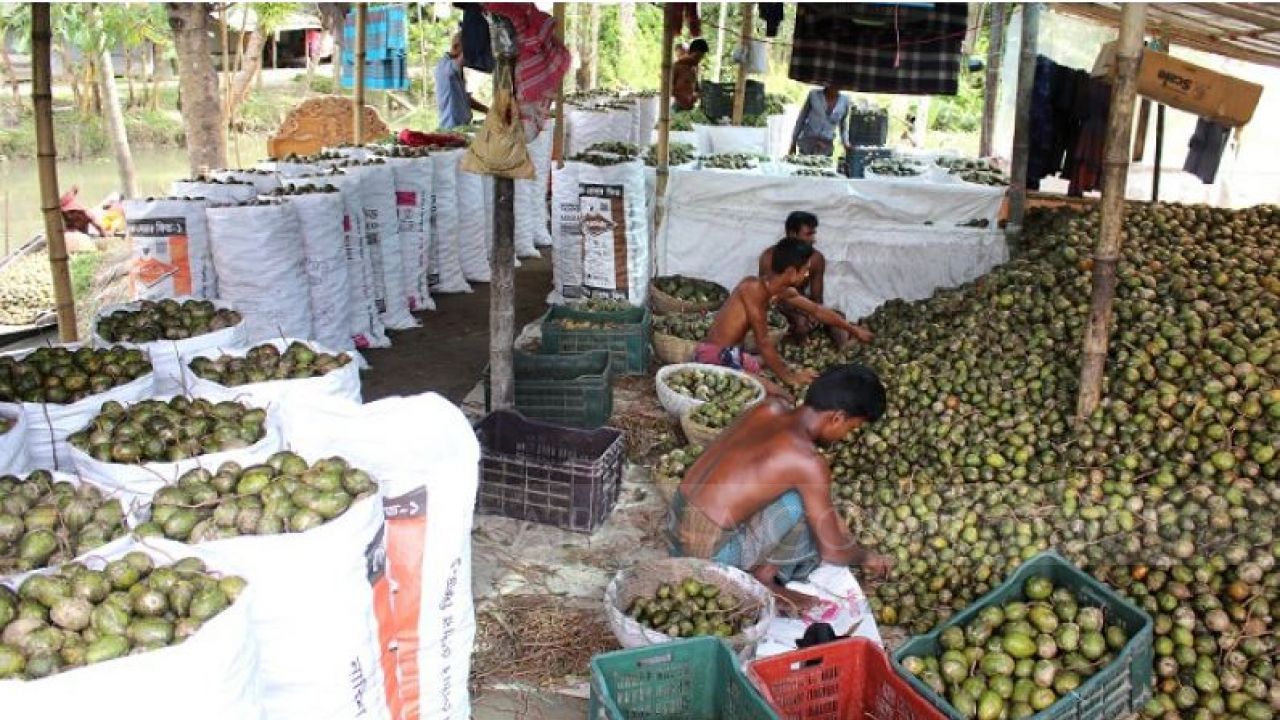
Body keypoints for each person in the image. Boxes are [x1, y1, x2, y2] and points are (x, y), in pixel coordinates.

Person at [667, 363, 894, 613]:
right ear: (837, 417)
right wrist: (866, 557)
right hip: (705, 558)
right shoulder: (807, 462)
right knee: (808, 517)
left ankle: (763, 574)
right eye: (851, 428)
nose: (846, 436)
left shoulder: (768, 408)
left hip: (676, 523)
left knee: (807, 498)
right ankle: (761, 583)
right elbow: (832, 550)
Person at [698, 237, 872, 388]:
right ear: (790, 272)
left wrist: (853, 330)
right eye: (805, 270)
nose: (806, 275)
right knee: (779, 394)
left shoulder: (782, 291)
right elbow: (764, 342)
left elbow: (817, 310)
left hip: (736, 354)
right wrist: (789, 378)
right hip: (715, 356)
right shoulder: (751, 288)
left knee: (775, 364)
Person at [759, 211, 851, 346]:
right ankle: (798, 346)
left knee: (837, 318)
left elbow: (817, 297)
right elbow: (767, 297)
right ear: (792, 234)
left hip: (803, 306)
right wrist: (794, 314)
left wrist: (813, 313)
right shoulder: (769, 257)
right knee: (799, 322)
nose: (813, 239)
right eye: (808, 234)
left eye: (813, 234)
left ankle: (844, 353)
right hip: (778, 308)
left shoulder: (816, 259)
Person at [434, 34, 487, 130]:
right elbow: (461, 59)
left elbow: (466, 100)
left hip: (463, 126)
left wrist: (488, 111)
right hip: (451, 128)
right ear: (456, 47)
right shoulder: (444, 66)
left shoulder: (456, 70)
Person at [790, 86, 851, 157]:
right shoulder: (814, 95)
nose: (835, 85)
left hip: (826, 147)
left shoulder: (845, 101)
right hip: (807, 144)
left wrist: (845, 143)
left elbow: (843, 126)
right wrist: (793, 142)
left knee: (822, 166)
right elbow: (801, 118)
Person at [672, 38, 709, 112]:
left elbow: (696, 88)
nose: (698, 60)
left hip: (689, 109)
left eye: (701, 58)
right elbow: (667, 89)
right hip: (677, 108)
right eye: (697, 57)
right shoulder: (677, 66)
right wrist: (684, 98)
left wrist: (699, 93)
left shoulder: (694, 68)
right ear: (690, 52)